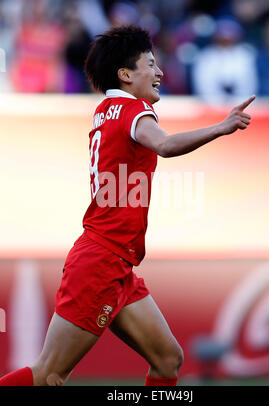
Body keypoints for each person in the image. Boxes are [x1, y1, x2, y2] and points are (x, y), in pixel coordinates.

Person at [0, 25, 255, 386]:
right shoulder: (131, 109)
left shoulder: (106, 110)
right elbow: (164, 145)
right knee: (49, 375)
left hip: (116, 263)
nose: (160, 72)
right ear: (125, 74)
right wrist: (221, 127)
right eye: (150, 63)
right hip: (101, 262)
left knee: (167, 359)